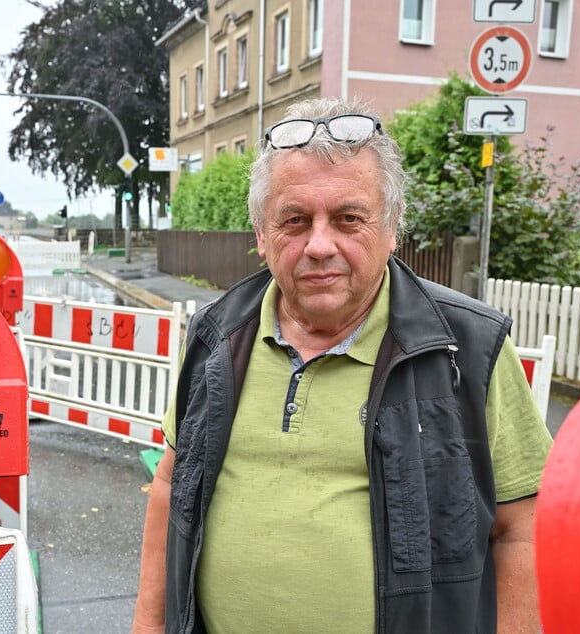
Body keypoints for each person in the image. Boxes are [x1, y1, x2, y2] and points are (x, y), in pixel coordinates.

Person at [132, 97, 553, 633]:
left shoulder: (467, 347)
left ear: (392, 228)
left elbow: (526, 528)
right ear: (262, 235)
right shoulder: (217, 336)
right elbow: (170, 486)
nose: (320, 245)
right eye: (295, 220)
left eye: (349, 218)